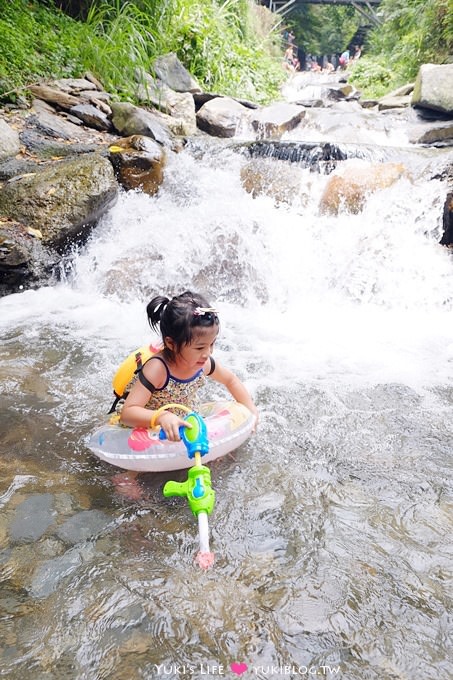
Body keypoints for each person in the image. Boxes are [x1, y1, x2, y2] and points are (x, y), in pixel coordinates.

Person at [120, 291, 259, 440]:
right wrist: (161, 417)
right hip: (148, 423)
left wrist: (251, 411)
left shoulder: (204, 363)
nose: (208, 353)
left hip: (182, 416)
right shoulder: (158, 369)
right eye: (200, 348)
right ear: (171, 343)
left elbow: (231, 380)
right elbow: (127, 413)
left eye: (212, 344)